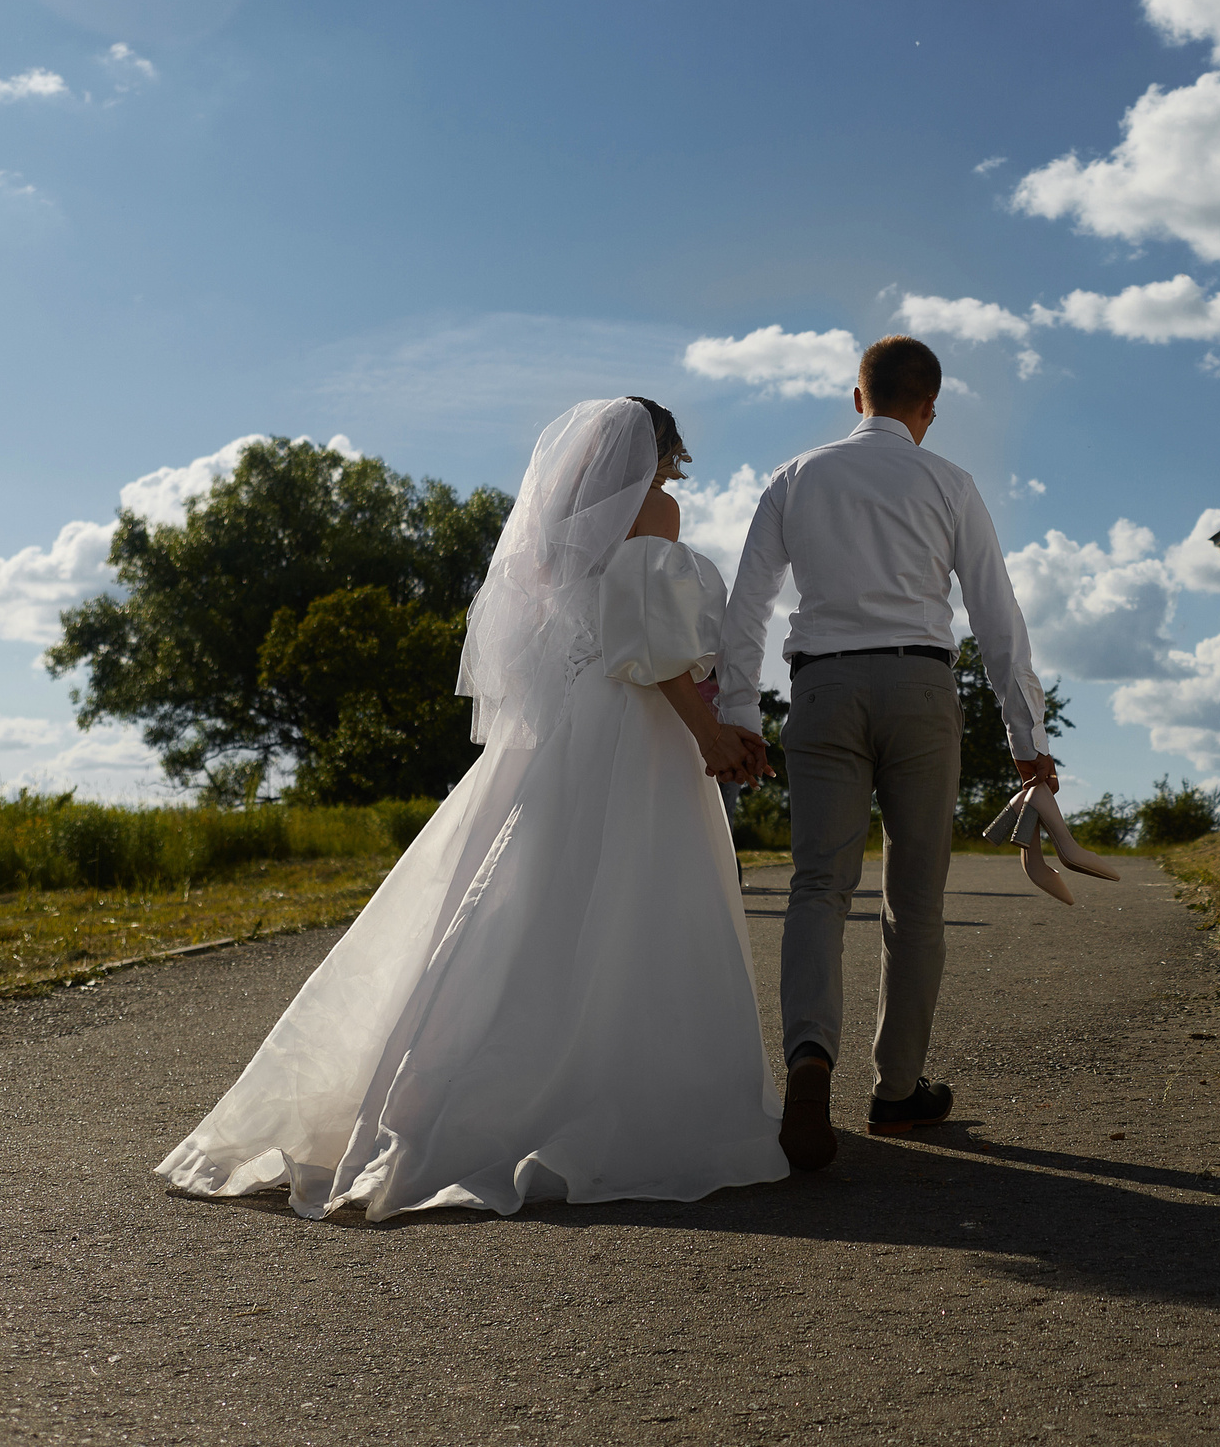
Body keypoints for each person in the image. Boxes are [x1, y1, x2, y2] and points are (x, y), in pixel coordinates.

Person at [156, 397, 786, 1219]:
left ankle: (431, 1092)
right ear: (656, 452)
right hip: (633, 726)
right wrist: (709, 731)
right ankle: (606, 1090)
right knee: (633, 897)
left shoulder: (556, 533)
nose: (672, 471)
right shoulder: (654, 510)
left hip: (559, 724)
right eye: (669, 455)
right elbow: (650, 643)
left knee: (523, 897)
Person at [715, 335, 1055, 1171]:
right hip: (921, 689)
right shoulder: (950, 483)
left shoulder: (796, 476)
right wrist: (1027, 740)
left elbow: (748, 602)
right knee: (915, 894)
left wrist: (738, 711)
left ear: (855, 396)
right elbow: (998, 618)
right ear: (928, 409)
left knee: (819, 884)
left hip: (823, 689)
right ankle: (898, 1091)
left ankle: (807, 1064)